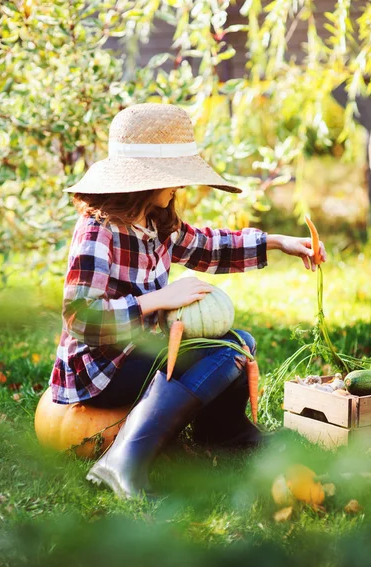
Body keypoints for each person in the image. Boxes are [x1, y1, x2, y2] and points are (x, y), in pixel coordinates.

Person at [48, 103, 326, 500]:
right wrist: (157, 299)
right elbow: (80, 318)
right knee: (217, 352)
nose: (179, 187)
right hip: (99, 367)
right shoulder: (98, 230)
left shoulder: (157, 222)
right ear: (147, 179)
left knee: (237, 342)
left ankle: (223, 431)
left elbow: (211, 246)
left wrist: (278, 242)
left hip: (139, 352)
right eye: (175, 177)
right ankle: (121, 461)